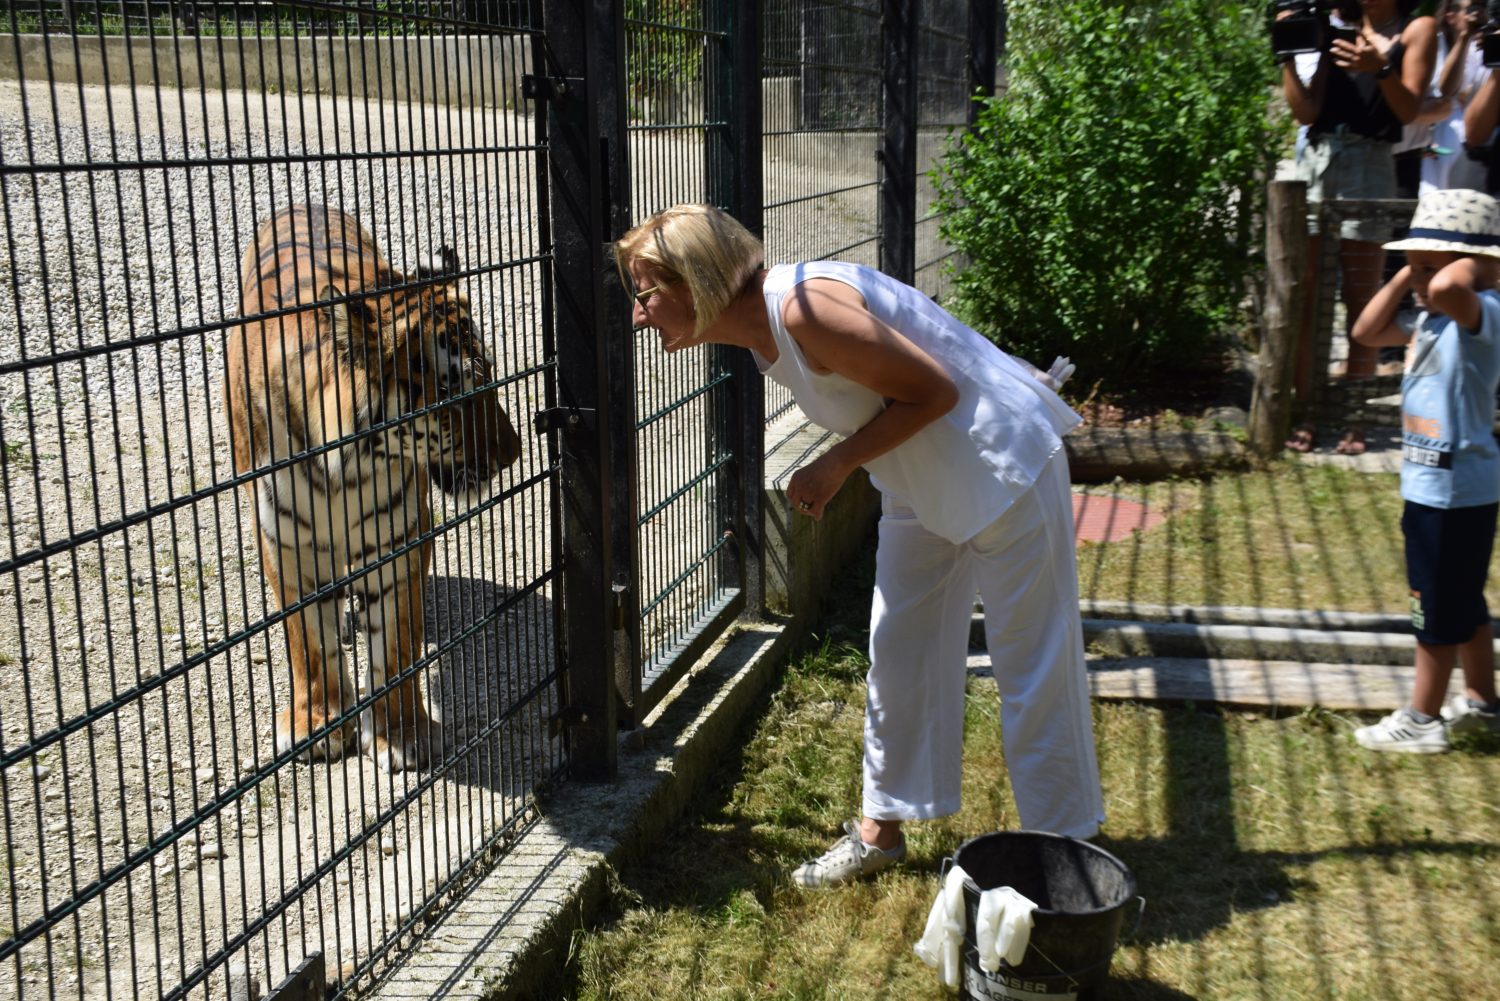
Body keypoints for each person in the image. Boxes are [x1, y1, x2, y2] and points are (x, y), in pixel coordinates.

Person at [613, 204, 1105, 886]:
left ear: (695, 280)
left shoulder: (804, 309)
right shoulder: (763, 329)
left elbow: (934, 390)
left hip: (1003, 464)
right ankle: (882, 832)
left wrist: (836, 464)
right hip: (918, 478)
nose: (639, 316)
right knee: (900, 650)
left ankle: (1064, 856)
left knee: (1032, 660)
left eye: (645, 294)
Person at [1349, 187, 1500, 752]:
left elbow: (1449, 287)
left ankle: (1422, 720)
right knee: (1462, 598)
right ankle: (1484, 703)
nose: (1421, 280)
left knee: (1432, 604)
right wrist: (1406, 272)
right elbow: (1365, 333)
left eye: (1430, 266)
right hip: (1437, 486)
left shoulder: (1484, 314)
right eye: (1414, 265)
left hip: (1453, 489)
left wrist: (1472, 264)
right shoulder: (1429, 323)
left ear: (1476, 268)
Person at [1281, 0, 1437, 455]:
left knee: (1361, 298)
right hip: (1319, 159)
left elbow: (1408, 110)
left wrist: (1381, 67)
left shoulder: (1418, 28)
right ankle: (1309, 413)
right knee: (1308, 298)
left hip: (1371, 162)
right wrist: (1286, 50)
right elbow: (1306, 113)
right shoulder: (1333, 26)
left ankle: (1355, 416)